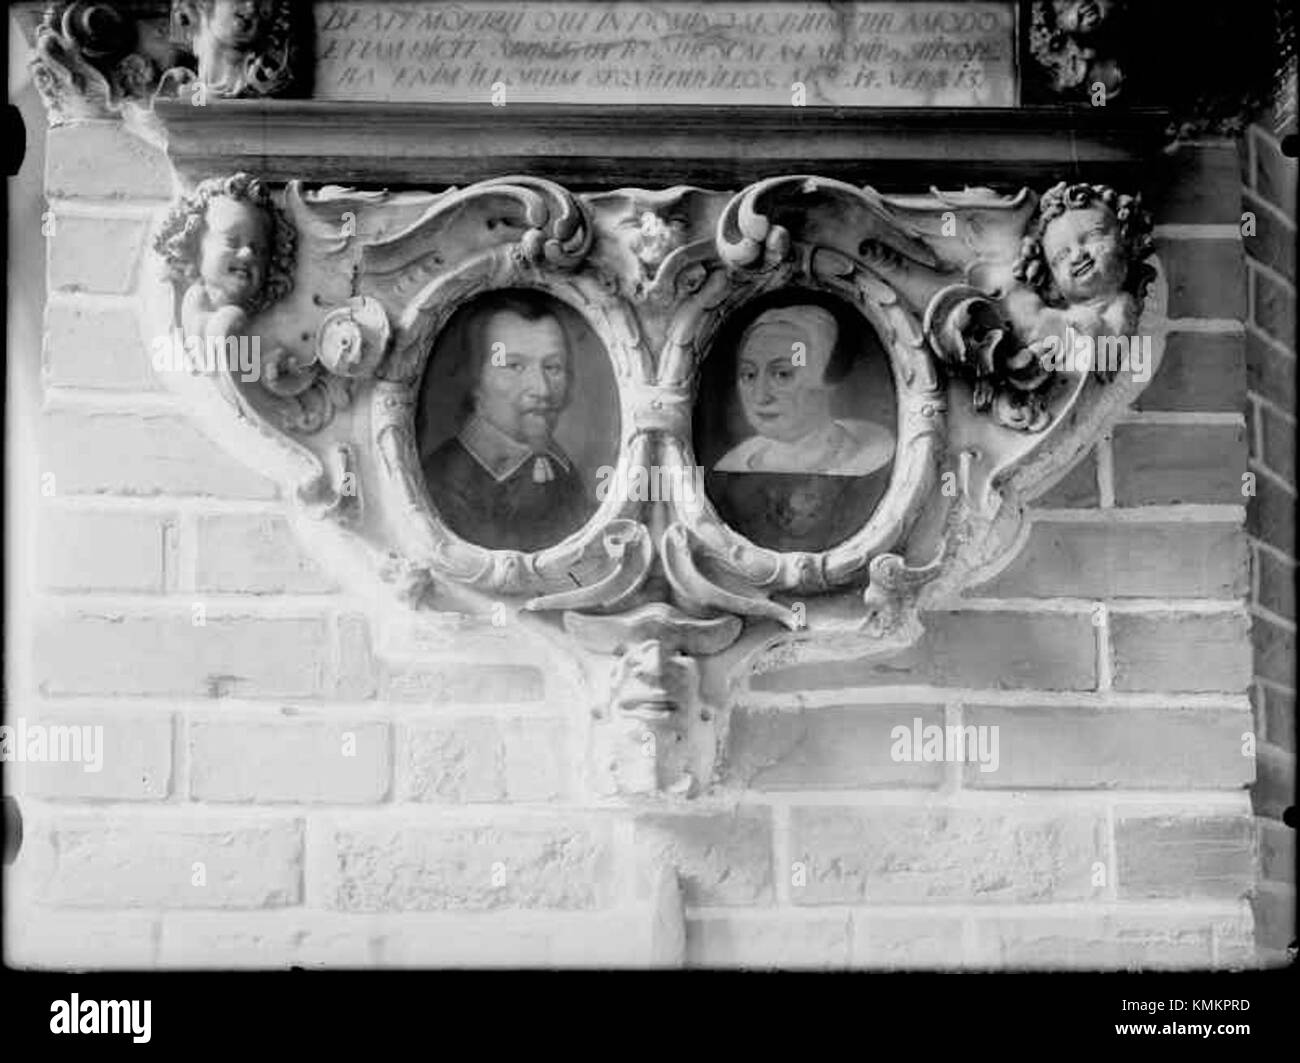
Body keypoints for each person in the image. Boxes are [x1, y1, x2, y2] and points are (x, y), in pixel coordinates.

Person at [707, 305, 895, 552]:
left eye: (782, 374)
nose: (761, 396)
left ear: (828, 380)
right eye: (749, 375)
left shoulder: (873, 461)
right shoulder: (732, 465)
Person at [423, 293, 591, 552]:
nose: (542, 390)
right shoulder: (443, 483)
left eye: (553, 367)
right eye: (514, 366)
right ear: (474, 379)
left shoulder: (566, 473)